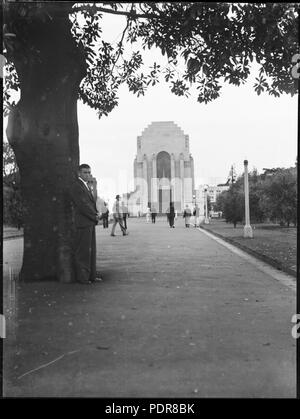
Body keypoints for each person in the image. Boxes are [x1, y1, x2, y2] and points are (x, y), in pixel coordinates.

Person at [70, 164, 102, 284]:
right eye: (85, 172)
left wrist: (95, 215)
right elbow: (83, 205)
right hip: (83, 223)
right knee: (83, 252)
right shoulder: (76, 186)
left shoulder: (87, 186)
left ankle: (91, 276)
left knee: (91, 251)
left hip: (88, 222)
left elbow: (91, 203)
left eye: (89, 172)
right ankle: (83, 278)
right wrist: (95, 215)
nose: (88, 174)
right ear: (79, 173)